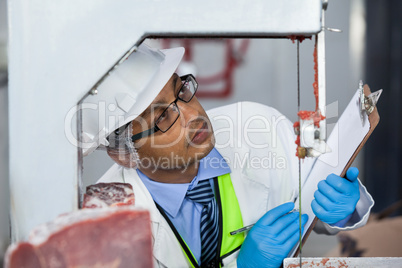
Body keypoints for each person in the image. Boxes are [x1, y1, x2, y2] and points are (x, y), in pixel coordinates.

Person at [82, 43, 374, 268]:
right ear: (124, 155)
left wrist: (347, 208)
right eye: (162, 118)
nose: (193, 115)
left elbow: (317, 207)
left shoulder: (259, 127)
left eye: (181, 91)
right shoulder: (106, 221)